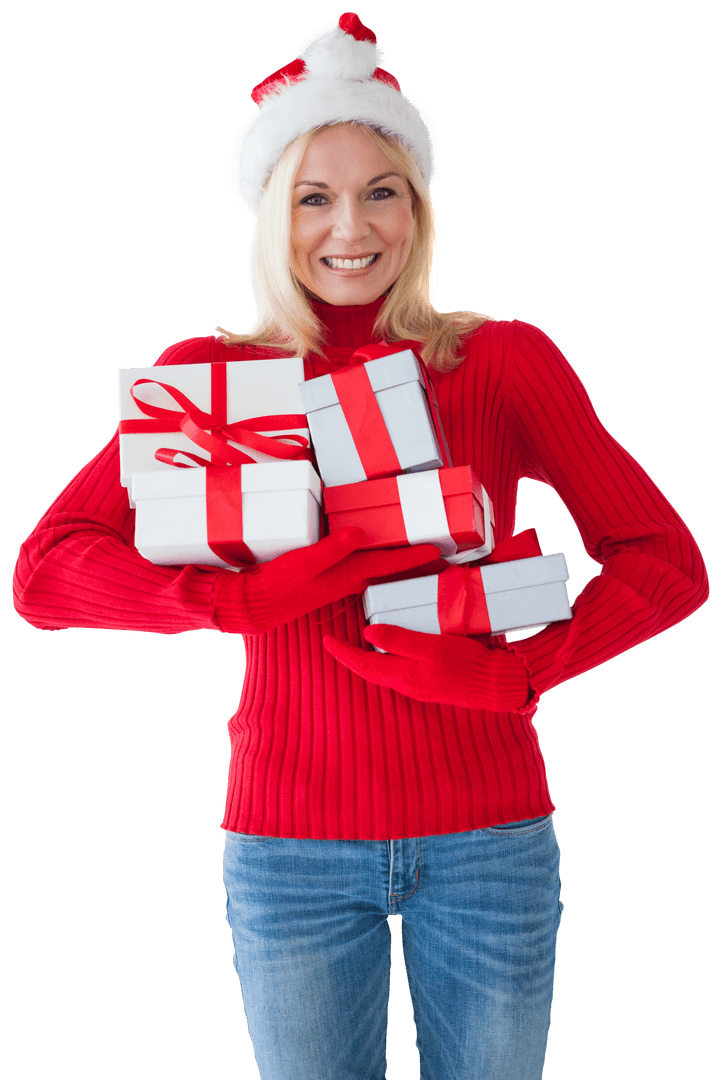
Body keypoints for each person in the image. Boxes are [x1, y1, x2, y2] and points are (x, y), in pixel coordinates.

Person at [12, 11, 709, 1080]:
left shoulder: (500, 360)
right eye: (313, 197)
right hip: (287, 848)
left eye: (382, 189)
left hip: (489, 843)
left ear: (419, 208)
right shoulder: (213, 378)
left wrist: (516, 668)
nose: (351, 226)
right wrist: (227, 601)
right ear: (270, 216)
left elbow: (664, 561)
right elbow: (48, 569)